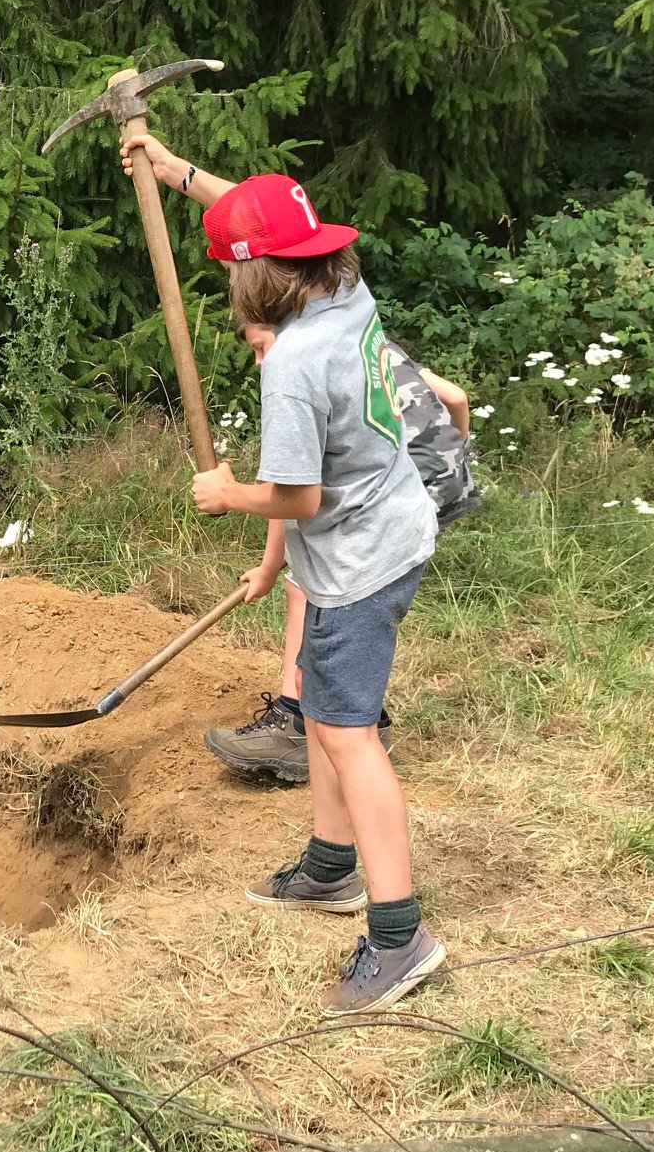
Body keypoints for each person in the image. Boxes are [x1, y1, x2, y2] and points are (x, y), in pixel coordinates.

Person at [122, 131, 445, 1016]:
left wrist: (229, 495)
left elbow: (298, 496)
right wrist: (176, 173)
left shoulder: (293, 363)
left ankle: (399, 935)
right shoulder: (344, 287)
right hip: (392, 528)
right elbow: (269, 224)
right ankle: (331, 869)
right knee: (327, 717)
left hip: (355, 564)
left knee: (346, 735)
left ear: (248, 277)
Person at [205, 321, 477, 782]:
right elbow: (456, 398)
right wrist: (453, 459)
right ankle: (352, 712)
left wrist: (270, 567)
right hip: (439, 484)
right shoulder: (371, 348)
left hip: (388, 493)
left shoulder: (303, 376)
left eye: (260, 348)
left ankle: (297, 720)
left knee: (311, 581)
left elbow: (290, 496)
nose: (259, 362)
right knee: (346, 593)